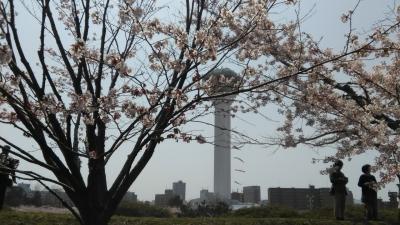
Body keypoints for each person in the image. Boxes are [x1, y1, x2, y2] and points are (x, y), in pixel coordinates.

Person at [0, 145, 18, 210]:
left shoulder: (11, 159)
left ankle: (0, 207)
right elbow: (13, 171)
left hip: (4, 178)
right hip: (4, 177)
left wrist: (14, 179)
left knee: (1, 193)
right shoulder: (11, 159)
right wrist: (14, 179)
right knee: (1, 193)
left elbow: (13, 170)